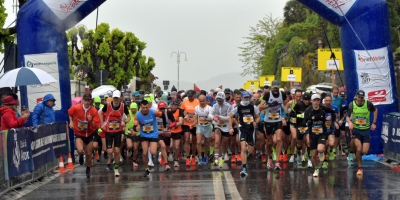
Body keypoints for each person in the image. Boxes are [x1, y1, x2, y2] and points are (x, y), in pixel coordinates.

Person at [302, 94, 337, 177]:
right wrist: (307, 135)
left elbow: (332, 112)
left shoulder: (323, 109)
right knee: (313, 154)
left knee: (320, 149)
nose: (316, 102)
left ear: (320, 101)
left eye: (318, 100)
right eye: (314, 100)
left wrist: (332, 121)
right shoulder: (308, 111)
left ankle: (321, 153)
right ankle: (316, 169)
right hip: (312, 134)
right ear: (311, 101)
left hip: (322, 133)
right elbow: (304, 123)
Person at [68, 93, 101, 177]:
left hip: (89, 134)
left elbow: (96, 125)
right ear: (82, 100)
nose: (86, 102)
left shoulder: (93, 111)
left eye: (88, 100)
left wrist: (90, 121)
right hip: (79, 133)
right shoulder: (76, 107)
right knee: (79, 150)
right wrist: (71, 122)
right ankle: (81, 155)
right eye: (85, 100)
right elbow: (70, 113)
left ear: (91, 101)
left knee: (89, 153)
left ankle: (88, 169)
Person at [346, 90, 377, 176]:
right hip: (357, 130)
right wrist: (350, 123)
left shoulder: (368, 104)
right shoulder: (352, 105)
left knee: (365, 151)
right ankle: (360, 168)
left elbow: (375, 110)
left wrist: (374, 122)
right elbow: (347, 116)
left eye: (362, 98)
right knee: (359, 149)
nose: (360, 99)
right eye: (359, 97)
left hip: (366, 130)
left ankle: (355, 153)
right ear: (356, 96)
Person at [99, 90, 130, 177]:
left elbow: (129, 117)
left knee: (117, 150)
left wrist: (125, 122)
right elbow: (101, 113)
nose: (116, 99)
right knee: (109, 151)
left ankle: (116, 169)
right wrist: (102, 124)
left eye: (117, 98)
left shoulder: (123, 106)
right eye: (115, 98)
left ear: (120, 98)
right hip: (109, 131)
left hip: (118, 131)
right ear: (113, 98)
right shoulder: (108, 105)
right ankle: (111, 157)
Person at [229, 91, 260, 176]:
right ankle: (244, 168)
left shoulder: (253, 107)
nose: (246, 99)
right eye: (244, 97)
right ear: (241, 98)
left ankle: (244, 156)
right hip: (242, 129)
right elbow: (230, 116)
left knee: (250, 149)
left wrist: (256, 122)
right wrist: (231, 127)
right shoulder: (238, 107)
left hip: (251, 129)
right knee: (242, 148)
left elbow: (258, 117)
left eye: (247, 97)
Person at [258, 80, 288, 170]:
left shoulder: (282, 94)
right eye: (274, 87)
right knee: (270, 142)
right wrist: (269, 105)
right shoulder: (267, 95)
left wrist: (284, 116)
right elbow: (260, 107)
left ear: (279, 87)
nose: (275, 88)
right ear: (272, 87)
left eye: (277, 87)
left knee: (279, 139)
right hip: (268, 121)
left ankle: (277, 161)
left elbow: (286, 104)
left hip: (278, 120)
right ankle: (270, 157)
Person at [134, 100, 163, 177]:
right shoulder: (137, 115)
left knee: (153, 152)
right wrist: (136, 127)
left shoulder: (153, 112)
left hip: (153, 134)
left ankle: (159, 152)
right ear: (140, 107)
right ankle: (146, 169)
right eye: (143, 107)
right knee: (144, 152)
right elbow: (135, 124)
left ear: (148, 107)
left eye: (146, 107)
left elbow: (162, 115)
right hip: (144, 135)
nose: (145, 109)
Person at [210, 92, 231, 168]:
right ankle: (216, 159)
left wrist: (219, 117)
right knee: (217, 141)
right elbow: (210, 114)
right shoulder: (214, 105)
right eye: (218, 100)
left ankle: (222, 157)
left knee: (224, 144)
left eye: (221, 100)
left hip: (226, 126)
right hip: (217, 126)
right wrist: (213, 118)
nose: (219, 102)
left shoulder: (228, 106)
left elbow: (229, 117)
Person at [180, 90, 200, 165]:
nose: (190, 97)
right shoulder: (184, 102)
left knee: (194, 140)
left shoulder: (197, 102)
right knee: (187, 139)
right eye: (188, 96)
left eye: (191, 96)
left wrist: (195, 120)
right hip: (186, 123)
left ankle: (194, 156)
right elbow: (181, 111)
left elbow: (199, 112)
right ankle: (188, 157)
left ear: (194, 95)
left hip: (195, 124)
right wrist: (185, 117)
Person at [193, 95, 213, 165]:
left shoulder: (209, 108)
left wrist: (206, 119)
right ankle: (200, 157)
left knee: (207, 143)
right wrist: (193, 124)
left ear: (206, 100)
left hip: (207, 126)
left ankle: (205, 156)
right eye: (200, 101)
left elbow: (211, 119)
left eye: (203, 101)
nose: (202, 102)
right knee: (198, 142)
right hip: (200, 126)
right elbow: (196, 118)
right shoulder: (196, 108)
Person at [125, 102, 140, 167]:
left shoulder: (139, 114)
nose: (133, 110)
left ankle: (134, 160)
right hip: (128, 133)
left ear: (137, 109)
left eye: (134, 109)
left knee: (136, 148)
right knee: (130, 146)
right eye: (132, 109)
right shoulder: (127, 113)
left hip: (136, 134)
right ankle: (129, 150)